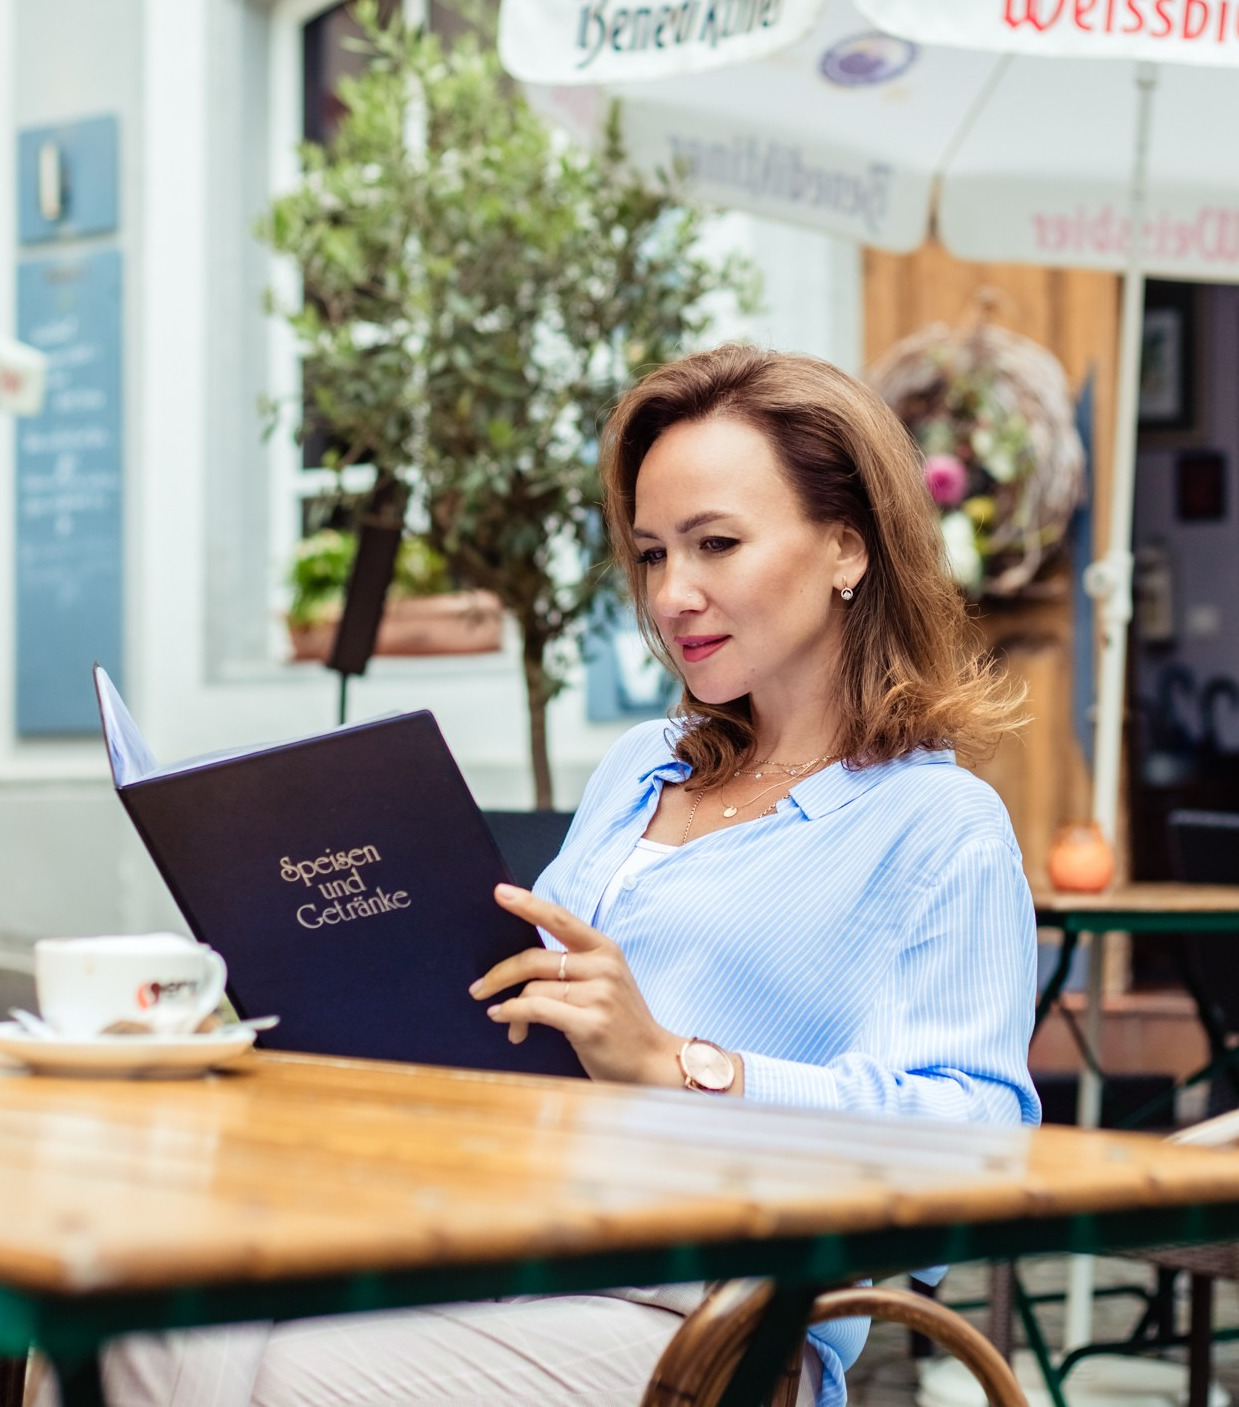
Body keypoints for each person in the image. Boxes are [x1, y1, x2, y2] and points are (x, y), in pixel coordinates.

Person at [78, 345, 1037, 1407]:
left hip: (706, 1315)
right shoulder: (644, 765)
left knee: (280, 1375)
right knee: (117, 1319)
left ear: (846, 546)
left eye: (716, 542)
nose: (675, 593)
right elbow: (529, 1008)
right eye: (651, 551)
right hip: (504, 1232)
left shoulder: (938, 824)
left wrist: (680, 1062)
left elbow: (982, 1143)